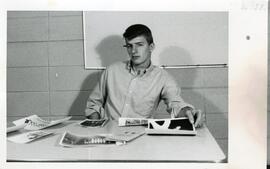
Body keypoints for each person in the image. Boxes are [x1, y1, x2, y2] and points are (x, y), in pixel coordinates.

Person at [85, 24, 203, 127]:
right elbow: (93, 104)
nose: (133, 51)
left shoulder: (163, 78)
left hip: (141, 139)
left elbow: (176, 104)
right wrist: (97, 127)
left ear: (151, 47)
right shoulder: (111, 71)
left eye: (139, 45)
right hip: (108, 135)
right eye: (129, 46)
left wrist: (188, 112)